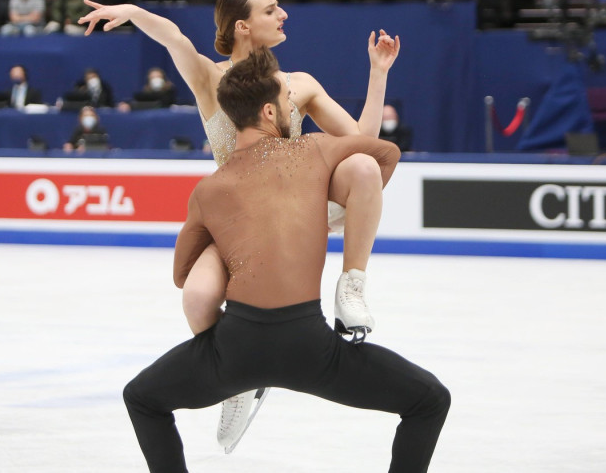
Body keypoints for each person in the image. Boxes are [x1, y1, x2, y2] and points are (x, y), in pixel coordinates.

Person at [79, 0, 400, 449]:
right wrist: (133, 9)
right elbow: (174, 37)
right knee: (196, 297)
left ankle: (351, 286)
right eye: (272, 9)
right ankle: (237, 377)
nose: (284, 14)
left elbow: (360, 139)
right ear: (244, 26)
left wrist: (378, 73)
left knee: (363, 166)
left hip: (299, 209)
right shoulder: (211, 79)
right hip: (239, 218)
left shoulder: (300, 85)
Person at [123, 47, 449, 473]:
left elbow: (182, 272)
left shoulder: (209, 188)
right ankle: (352, 285)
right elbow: (385, 154)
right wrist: (330, 213)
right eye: (287, 99)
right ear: (271, 113)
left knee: (142, 398)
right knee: (429, 400)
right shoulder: (312, 151)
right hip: (311, 350)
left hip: (233, 351)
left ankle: (239, 389)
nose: (291, 103)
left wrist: (228, 246)